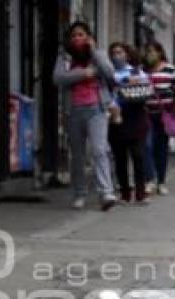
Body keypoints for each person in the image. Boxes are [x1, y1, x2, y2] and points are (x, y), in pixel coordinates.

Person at [52, 21, 117, 211]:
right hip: (73, 111)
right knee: (78, 155)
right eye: (74, 35)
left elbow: (110, 73)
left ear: (88, 36)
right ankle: (79, 193)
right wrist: (84, 73)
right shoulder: (65, 57)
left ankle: (106, 192)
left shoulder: (99, 54)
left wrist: (95, 51)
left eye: (81, 35)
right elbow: (58, 78)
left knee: (99, 150)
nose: (77, 38)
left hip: (96, 108)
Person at [107, 43, 150, 204]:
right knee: (120, 158)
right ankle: (125, 192)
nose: (116, 56)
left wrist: (131, 82)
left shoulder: (137, 72)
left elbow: (146, 87)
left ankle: (141, 192)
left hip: (136, 116)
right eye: (113, 53)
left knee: (138, 156)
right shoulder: (109, 73)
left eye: (119, 52)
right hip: (116, 117)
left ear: (127, 54)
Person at [143, 41, 175, 195]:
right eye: (147, 51)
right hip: (147, 114)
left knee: (161, 148)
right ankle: (150, 179)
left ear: (160, 53)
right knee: (147, 146)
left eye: (152, 51)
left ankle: (161, 181)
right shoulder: (144, 70)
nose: (149, 54)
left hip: (165, 115)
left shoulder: (170, 70)